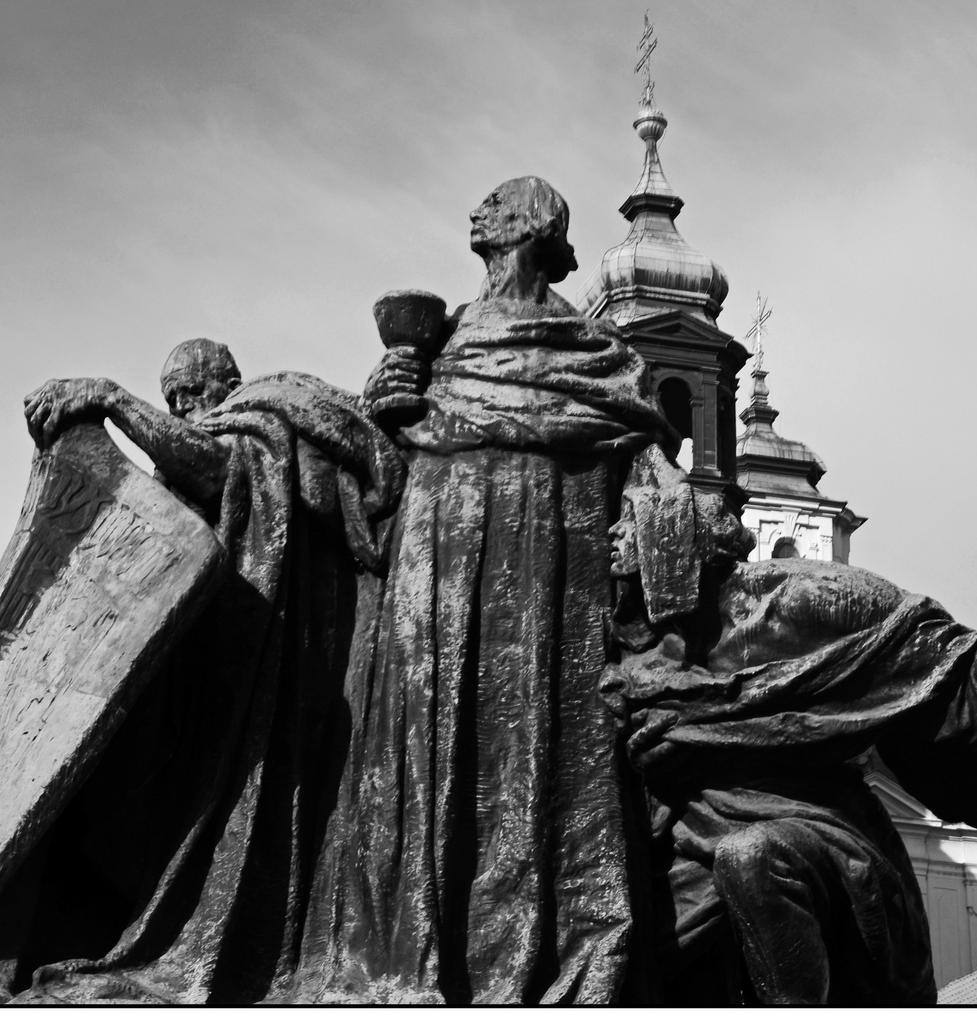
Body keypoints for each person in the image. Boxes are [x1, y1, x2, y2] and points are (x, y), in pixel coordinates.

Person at [285, 177, 690, 1005]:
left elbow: (640, 450)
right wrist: (389, 406)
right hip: (429, 555)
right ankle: (403, 953)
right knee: (409, 741)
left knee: (530, 740)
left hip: (543, 562)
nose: (476, 214)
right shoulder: (441, 342)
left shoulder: (589, 349)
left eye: (495, 204)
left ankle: (533, 952)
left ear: (533, 225)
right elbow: (383, 473)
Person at [0, 355, 406, 1004]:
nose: (186, 405)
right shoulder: (190, 451)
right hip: (188, 678)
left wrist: (112, 399)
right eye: (173, 396)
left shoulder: (266, 415)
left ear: (228, 381)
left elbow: (223, 470)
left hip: (263, 674)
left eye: (194, 391)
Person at [601, 508, 977, 1005]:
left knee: (752, 857)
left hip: (825, 846)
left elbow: (964, 670)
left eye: (632, 533)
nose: (615, 547)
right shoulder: (630, 652)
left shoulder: (810, 599)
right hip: (685, 856)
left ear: (678, 543)